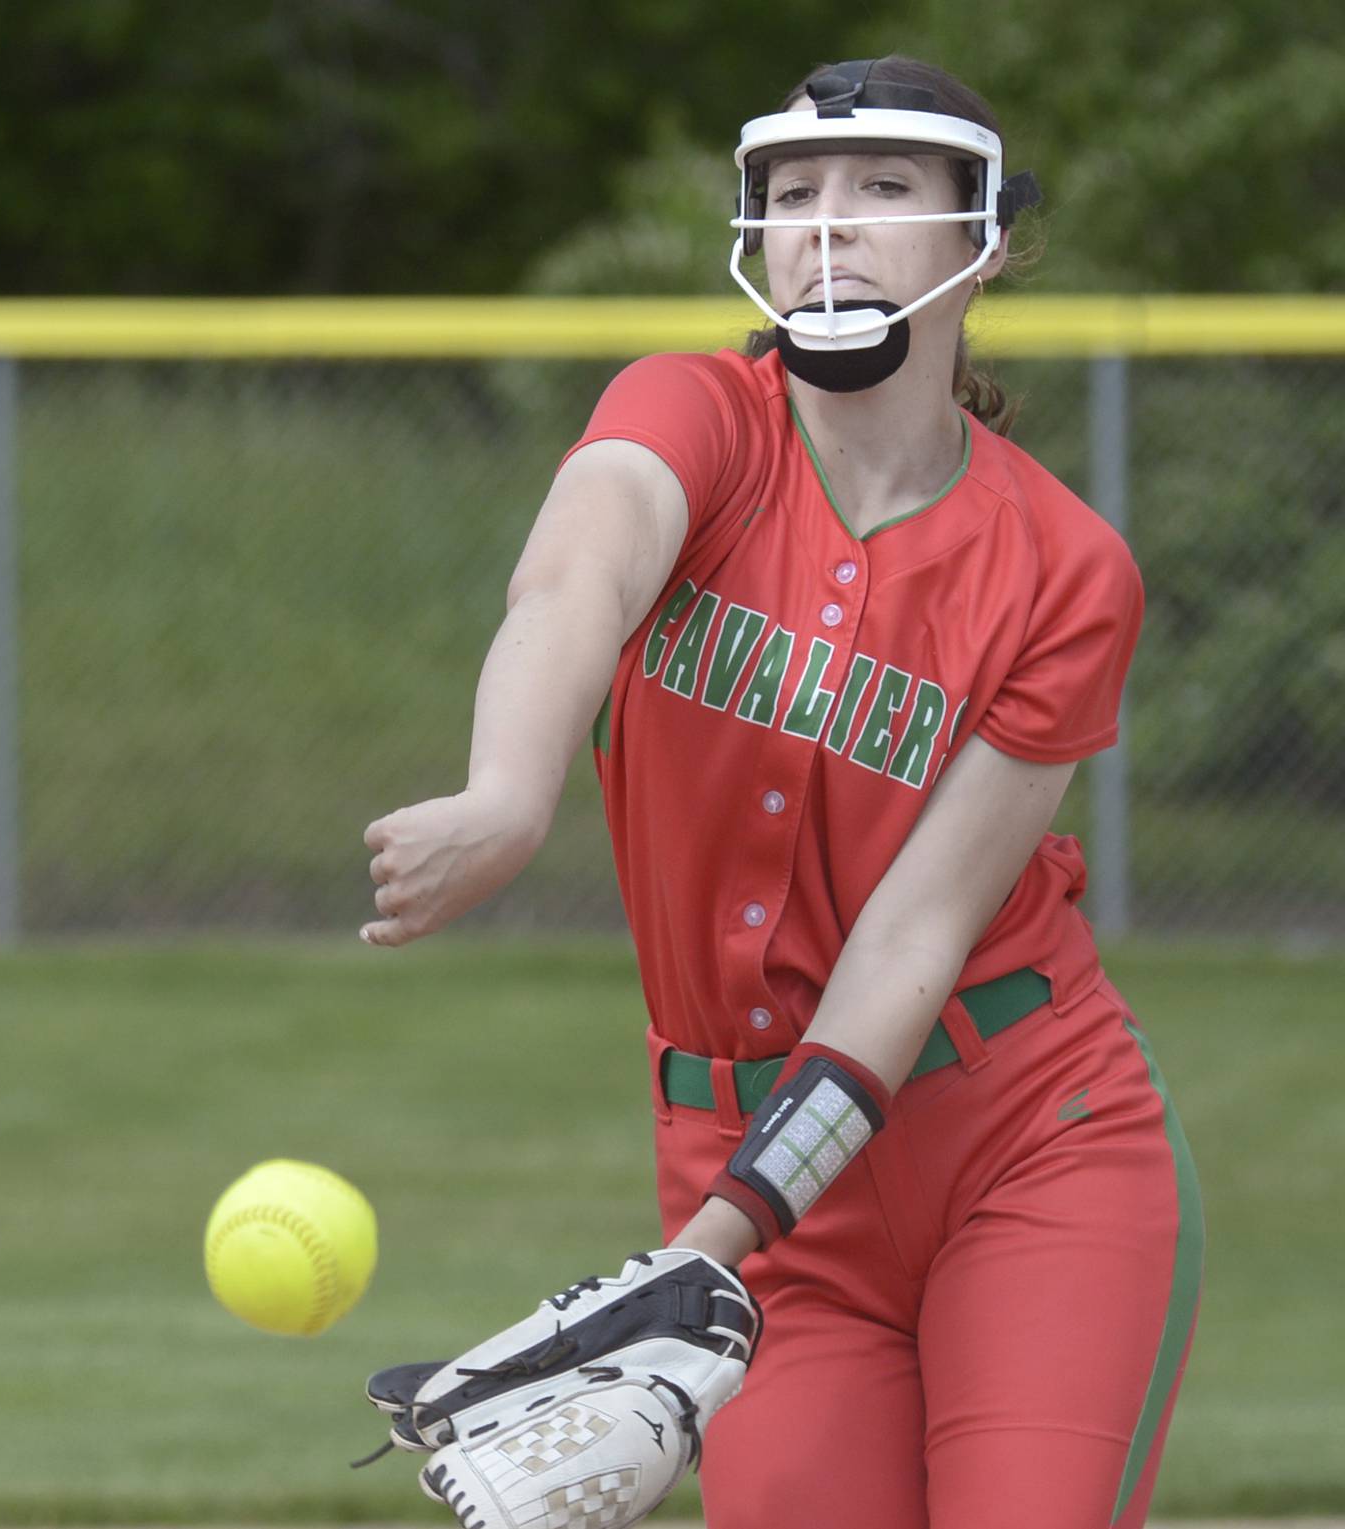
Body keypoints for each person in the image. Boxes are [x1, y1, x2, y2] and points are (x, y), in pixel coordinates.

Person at [360, 55, 1204, 1529]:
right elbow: (573, 580)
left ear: (981, 240)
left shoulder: (1066, 570)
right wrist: (508, 790)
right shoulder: (694, 417)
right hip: (758, 1193)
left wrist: (708, 1242)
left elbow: (909, 939)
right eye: (795, 194)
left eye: (884, 189)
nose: (829, 224)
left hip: (1021, 1141)